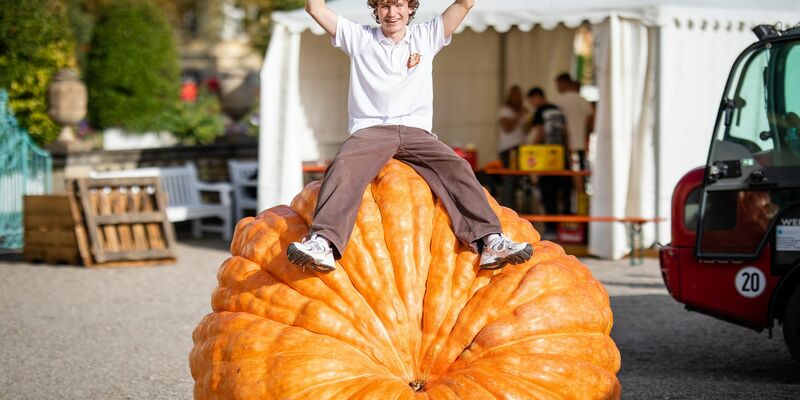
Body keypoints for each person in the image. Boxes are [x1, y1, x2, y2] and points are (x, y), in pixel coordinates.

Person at [286, 0, 533, 272]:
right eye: (384, 6)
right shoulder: (358, 37)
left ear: (410, 8)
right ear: (376, 10)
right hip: (372, 130)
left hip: (417, 132)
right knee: (344, 166)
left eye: (398, 5)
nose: (392, 13)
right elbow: (316, 9)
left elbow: (465, 4)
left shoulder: (426, 36)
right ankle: (323, 242)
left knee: (457, 167)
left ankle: (490, 242)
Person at [527, 86, 571, 237]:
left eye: (532, 101)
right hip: (559, 155)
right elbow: (565, 132)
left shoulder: (541, 111)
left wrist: (530, 148)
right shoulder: (557, 110)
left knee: (548, 193)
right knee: (563, 193)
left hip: (546, 156)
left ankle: (551, 229)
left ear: (536, 97)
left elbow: (540, 131)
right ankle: (566, 230)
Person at [552, 73, 593, 171]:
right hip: (581, 143)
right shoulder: (584, 101)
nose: (557, 88)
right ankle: (580, 186)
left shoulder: (560, 100)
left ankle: (575, 186)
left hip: (566, 143)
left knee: (569, 172)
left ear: (564, 83)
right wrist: (586, 134)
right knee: (581, 170)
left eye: (558, 85)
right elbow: (591, 120)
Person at [496, 85, 528, 207]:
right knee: (509, 179)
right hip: (509, 148)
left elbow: (526, 129)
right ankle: (507, 206)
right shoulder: (505, 110)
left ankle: (514, 206)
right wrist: (519, 116)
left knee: (516, 180)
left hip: (521, 148)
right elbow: (507, 128)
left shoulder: (522, 110)